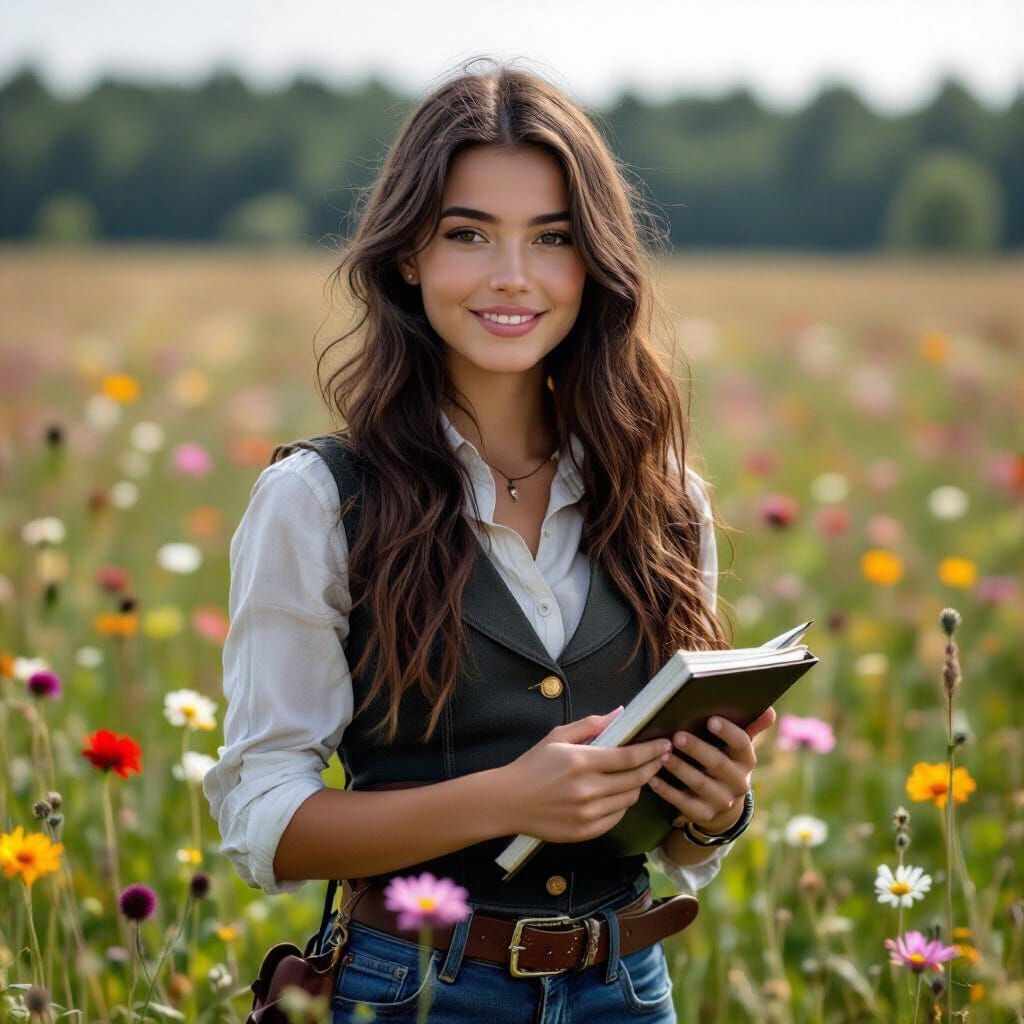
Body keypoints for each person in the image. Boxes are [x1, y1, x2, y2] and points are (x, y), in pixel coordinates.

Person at [204, 58, 776, 1023]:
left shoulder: (664, 495)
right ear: (406, 257)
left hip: (630, 989)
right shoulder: (316, 499)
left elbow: (680, 844)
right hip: (412, 987)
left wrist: (717, 805)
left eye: (551, 238)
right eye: (468, 233)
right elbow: (268, 821)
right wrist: (508, 799)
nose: (513, 276)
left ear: (594, 263)